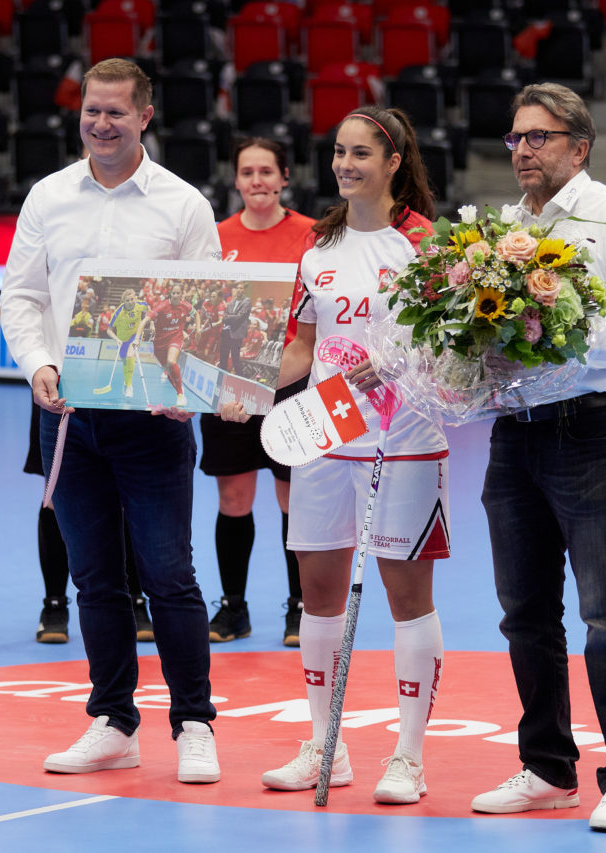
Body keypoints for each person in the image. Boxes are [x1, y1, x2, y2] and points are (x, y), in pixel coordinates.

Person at [0, 58, 222, 784]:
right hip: (68, 418)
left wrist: (184, 385)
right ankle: (114, 721)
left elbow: (208, 314)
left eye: (115, 112)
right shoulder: (47, 196)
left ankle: (194, 723)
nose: (100, 124)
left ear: (145, 116)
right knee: (94, 577)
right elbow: (21, 296)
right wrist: (38, 364)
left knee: (170, 575)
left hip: (154, 420)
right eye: (92, 111)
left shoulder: (184, 204)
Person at [225, 106, 447, 805]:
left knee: (406, 597)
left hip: (404, 441)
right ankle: (325, 742)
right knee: (317, 592)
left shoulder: (424, 244)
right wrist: (246, 385)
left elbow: (447, 346)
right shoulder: (318, 246)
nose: (345, 164)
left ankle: (408, 755)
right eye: (338, 153)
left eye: (360, 154)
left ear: (393, 162)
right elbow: (301, 346)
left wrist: (400, 368)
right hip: (324, 436)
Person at [468, 83, 606, 832]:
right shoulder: (499, 231)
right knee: (524, 612)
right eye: (516, 138)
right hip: (514, 431)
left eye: (538, 137)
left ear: (578, 146)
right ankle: (549, 766)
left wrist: (552, 353)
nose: (522, 150)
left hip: (591, 429)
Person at [200, 137, 314, 647]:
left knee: (293, 498)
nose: (257, 181)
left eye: (267, 171)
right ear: (236, 180)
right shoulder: (216, 236)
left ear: (284, 176)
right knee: (234, 496)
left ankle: (300, 607)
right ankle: (234, 608)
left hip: (293, 381)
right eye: (247, 172)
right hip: (229, 386)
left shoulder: (314, 236)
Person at [24, 400, 155, 645]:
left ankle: (135, 598)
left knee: (127, 490)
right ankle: (54, 604)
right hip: (63, 387)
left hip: (125, 387)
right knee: (55, 491)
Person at [146, 281, 196, 408]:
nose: (175, 295)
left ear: (181, 295)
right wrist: (149, 326)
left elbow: (195, 315)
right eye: (173, 293)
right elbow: (149, 318)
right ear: (170, 294)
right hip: (160, 341)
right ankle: (179, 391)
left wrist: (197, 330)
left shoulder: (185, 306)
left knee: (171, 361)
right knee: (167, 369)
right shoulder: (162, 307)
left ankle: (180, 393)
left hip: (175, 338)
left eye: (178, 293)